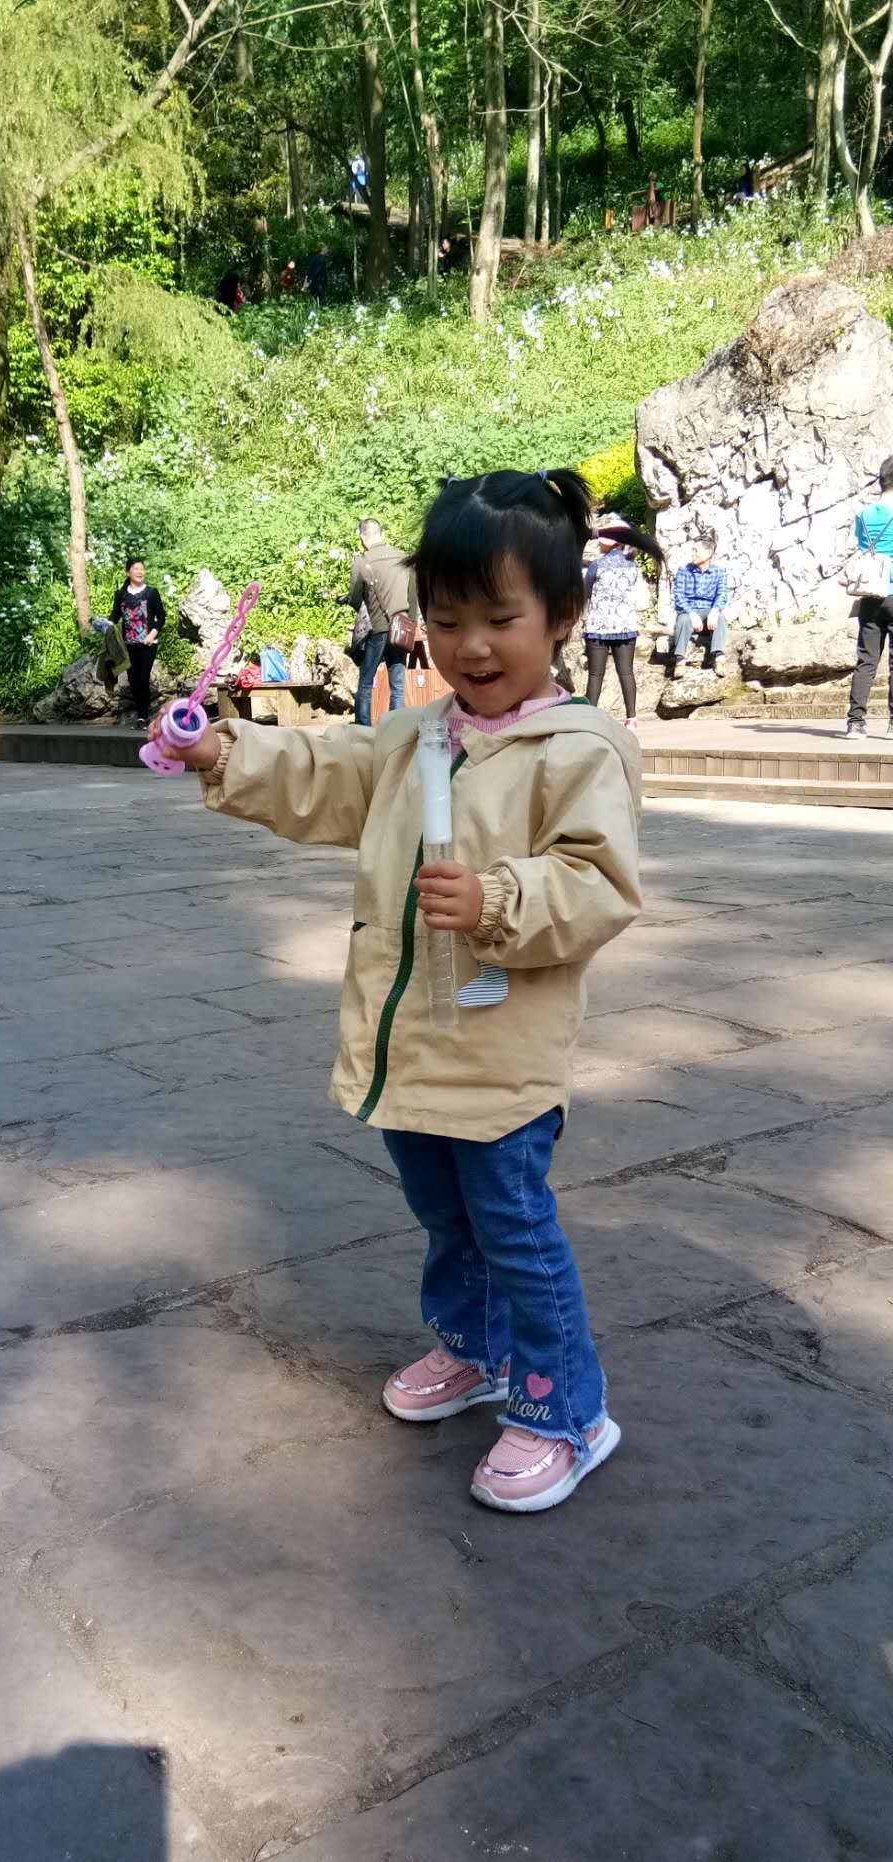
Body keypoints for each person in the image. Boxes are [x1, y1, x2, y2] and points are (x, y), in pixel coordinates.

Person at [149, 466, 643, 1515]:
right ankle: (477, 1350)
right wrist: (222, 744)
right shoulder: (416, 735)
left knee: (514, 1230)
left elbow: (599, 883)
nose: (472, 645)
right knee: (445, 1218)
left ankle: (569, 1410)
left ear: (563, 614)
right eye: (448, 620)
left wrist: (500, 896)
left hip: (500, 1058)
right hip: (406, 1044)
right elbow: (323, 772)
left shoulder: (580, 750)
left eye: (500, 619)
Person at [583, 520, 662, 729]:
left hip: (598, 627)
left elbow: (586, 591)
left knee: (595, 674)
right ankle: (631, 718)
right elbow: (642, 601)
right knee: (626, 672)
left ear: (611, 543)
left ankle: (588, 718)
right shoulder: (633, 567)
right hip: (625, 625)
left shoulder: (596, 566)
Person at [341, 517, 417, 725]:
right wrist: (410, 623)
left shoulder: (362, 561)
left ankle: (363, 730)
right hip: (401, 627)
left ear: (363, 537)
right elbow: (413, 597)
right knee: (398, 685)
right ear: (382, 534)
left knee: (366, 682)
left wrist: (363, 608)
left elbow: (355, 598)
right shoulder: (404, 558)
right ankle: (396, 728)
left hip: (377, 627)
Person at [847, 454, 893, 737]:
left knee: (866, 660)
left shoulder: (864, 514)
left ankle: (855, 722)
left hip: (869, 593)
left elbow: (863, 545)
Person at [109, 558, 166, 728]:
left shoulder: (151, 593)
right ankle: (142, 714)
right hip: (128, 645)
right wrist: (105, 624)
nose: (140, 572)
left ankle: (142, 717)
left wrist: (152, 634)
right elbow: (115, 616)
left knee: (143, 678)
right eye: (136, 569)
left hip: (148, 644)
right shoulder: (121, 594)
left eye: (142, 569)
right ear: (128, 572)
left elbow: (161, 616)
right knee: (133, 681)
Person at [670, 538, 729, 676]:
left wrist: (715, 610)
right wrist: (691, 614)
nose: (693, 554)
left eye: (696, 551)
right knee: (683, 620)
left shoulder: (719, 572)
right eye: (693, 550)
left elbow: (722, 595)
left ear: (708, 553)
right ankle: (680, 661)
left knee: (720, 618)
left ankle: (719, 659)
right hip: (689, 611)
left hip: (708, 611)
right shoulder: (684, 570)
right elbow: (679, 596)